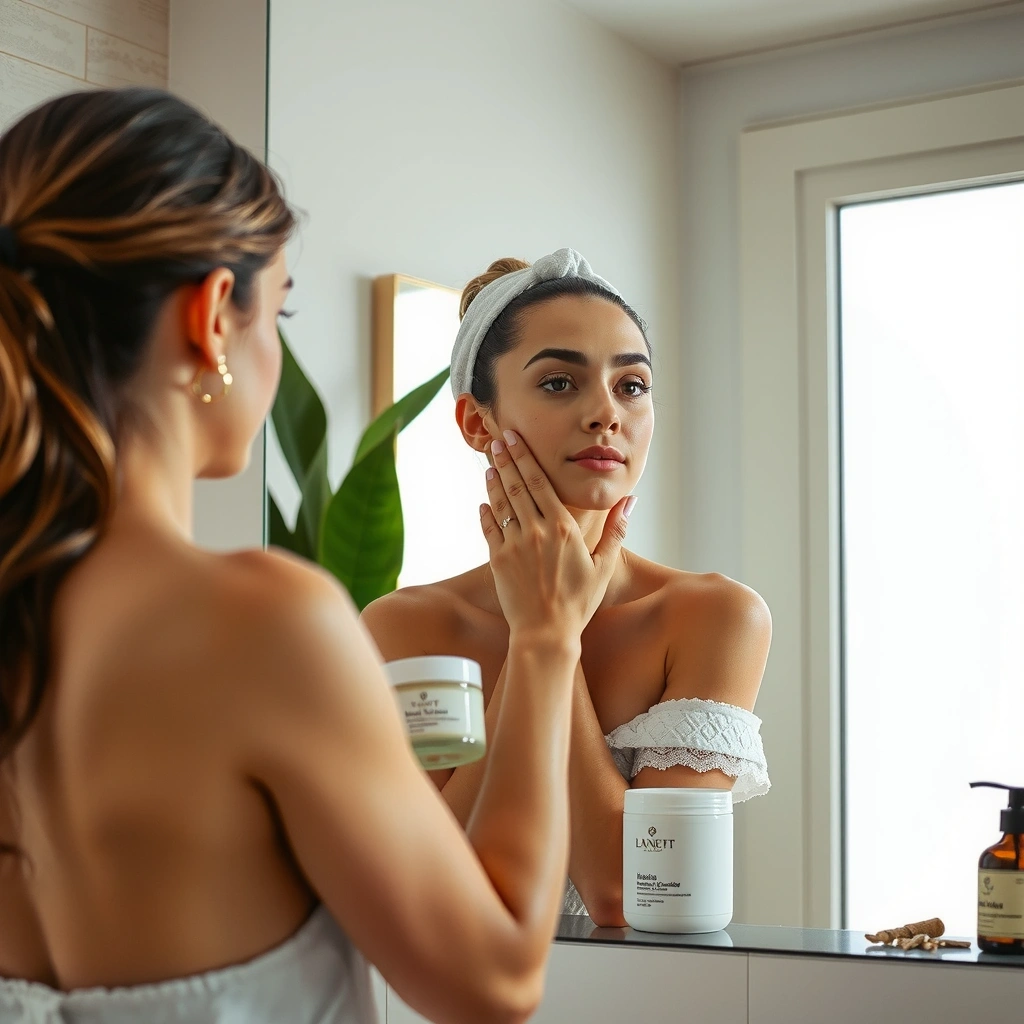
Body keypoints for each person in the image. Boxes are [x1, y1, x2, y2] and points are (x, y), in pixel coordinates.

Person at [0, 90, 633, 1024]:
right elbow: (494, 980)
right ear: (214, 315)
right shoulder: (256, 619)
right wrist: (543, 642)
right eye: (280, 313)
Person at [363, 249, 773, 927]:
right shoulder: (408, 627)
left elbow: (628, 892)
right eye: (559, 383)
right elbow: (433, 888)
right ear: (476, 422)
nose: (605, 414)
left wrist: (548, 633)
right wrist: (541, 636)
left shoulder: (714, 618)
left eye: (632, 385)